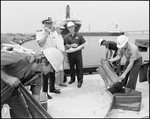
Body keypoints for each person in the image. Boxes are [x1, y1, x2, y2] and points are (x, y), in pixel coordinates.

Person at [1, 47, 64, 118]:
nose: (52, 71)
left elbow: (36, 101)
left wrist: (41, 115)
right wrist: (7, 78)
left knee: (26, 117)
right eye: (52, 67)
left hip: (12, 93)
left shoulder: (38, 78)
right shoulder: (20, 58)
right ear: (44, 61)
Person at [36, 16, 61, 99]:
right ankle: (45, 93)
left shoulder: (53, 33)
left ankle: (52, 88)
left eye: (50, 23)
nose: (49, 25)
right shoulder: (40, 32)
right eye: (47, 23)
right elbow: (40, 44)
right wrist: (46, 33)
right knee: (45, 76)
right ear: (43, 24)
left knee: (53, 74)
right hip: (45, 57)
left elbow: (55, 44)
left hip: (52, 56)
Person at [64, 21, 86, 88]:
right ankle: (72, 79)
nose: (71, 28)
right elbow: (66, 45)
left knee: (79, 68)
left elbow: (83, 45)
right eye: (70, 27)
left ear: (74, 27)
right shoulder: (66, 37)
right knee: (71, 68)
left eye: (72, 27)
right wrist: (72, 45)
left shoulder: (79, 36)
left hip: (78, 54)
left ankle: (80, 81)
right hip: (70, 55)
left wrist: (80, 47)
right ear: (68, 28)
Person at [53, 20, 67, 87]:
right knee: (57, 70)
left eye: (62, 29)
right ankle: (56, 84)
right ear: (57, 28)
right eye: (61, 29)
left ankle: (61, 82)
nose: (61, 30)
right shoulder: (53, 35)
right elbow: (54, 46)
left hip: (62, 54)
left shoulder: (60, 35)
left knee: (61, 69)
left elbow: (62, 45)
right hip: (57, 55)